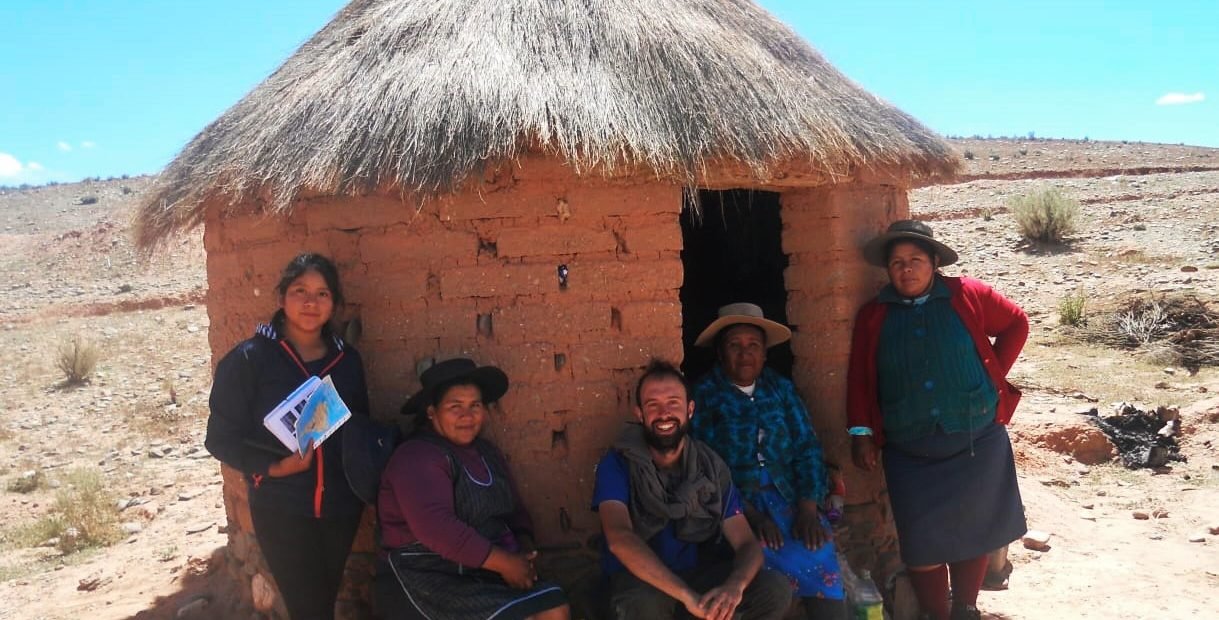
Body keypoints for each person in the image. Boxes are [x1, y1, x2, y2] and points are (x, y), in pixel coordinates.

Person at [847, 220, 1029, 620]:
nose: (906, 269)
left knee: (975, 530)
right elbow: (860, 376)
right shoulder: (874, 315)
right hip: (910, 450)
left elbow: (1017, 323)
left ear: (934, 263)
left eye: (915, 260)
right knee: (921, 541)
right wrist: (861, 432)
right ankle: (936, 613)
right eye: (897, 263)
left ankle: (965, 608)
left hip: (975, 439)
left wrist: (993, 375)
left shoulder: (968, 295)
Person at [205, 253, 370, 620]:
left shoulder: (348, 362)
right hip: (281, 507)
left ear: (334, 303)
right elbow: (219, 438)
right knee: (308, 608)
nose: (311, 303)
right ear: (281, 298)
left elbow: (359, 426)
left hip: (340, 507)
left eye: (322, 293)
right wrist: (274, 467)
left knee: (321, 603)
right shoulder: (251, 360)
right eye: (300, 291)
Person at [593, 360, 792, 620]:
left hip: (696, 578)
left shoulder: (709, 466)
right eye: (653, 405)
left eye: (673, 403)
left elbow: (745, 542)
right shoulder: (618, 462)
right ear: (640, 414)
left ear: (690, 409)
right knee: (644, 604)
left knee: (774, 589)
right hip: (642, 582)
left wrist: (735, 586)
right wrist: (687, 596)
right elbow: (620, 538)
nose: (664, 414)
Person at [377, 358, 570, 620]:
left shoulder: (487, 453)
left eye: (475, 406)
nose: (467, 416)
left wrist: (523, 547)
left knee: (553, 606)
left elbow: (515, 510)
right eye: (455, 407)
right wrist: (505, 564)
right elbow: (438, 528)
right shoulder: (417, 456)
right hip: (428, 576)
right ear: (432, 412)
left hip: (481, 569)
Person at [691, 303, 846, 619]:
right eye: (734, 346)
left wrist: (807, 510)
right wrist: (753, 518)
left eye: (753, 346)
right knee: (759, 555)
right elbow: (704, 466)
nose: (744, 353)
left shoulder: (781, 390)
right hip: (735, 504)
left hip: (787, 497)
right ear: (720, 354)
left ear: (764, 354)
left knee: (819, 544)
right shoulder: (705, 396)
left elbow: (807, 447)